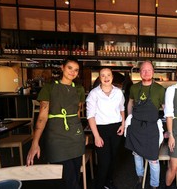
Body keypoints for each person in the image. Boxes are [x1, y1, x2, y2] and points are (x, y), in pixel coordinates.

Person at [26, 57, 86, 189]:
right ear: (62, 68)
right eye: (70, 68)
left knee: (75, 175)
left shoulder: (79, 89)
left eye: (76, 70)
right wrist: (35, 142)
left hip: (75, 138)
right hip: (57, 138)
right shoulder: (49, 87)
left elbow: (77, 113)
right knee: (67, 179)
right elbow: (42, 117)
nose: (72, 72)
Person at [125, 60, 165, 189]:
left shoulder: (159, 89)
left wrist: (170, 127)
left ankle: (154, 185)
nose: (146, 72)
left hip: (151, 127)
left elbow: (166, 108)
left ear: (153, 72)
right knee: (137, 155)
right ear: (139, 72)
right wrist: (129, 119)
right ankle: (140, 177)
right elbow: (130, 102)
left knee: (153, 159)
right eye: (143, 70)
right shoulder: (134, 87)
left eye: (149, 70)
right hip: (136, 127)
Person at [86, 68, 125, 189]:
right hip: (101, 129)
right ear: (99, 78)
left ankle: (109, 182)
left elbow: (122, 109)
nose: (106, 77)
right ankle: (99, 185)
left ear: (112, 77)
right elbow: (90, 116)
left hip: (116, 128)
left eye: (108, 75)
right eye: (103, 75)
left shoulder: (118, 92)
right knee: (104, 161)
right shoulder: (94, 94)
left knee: (113, 159)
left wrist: (123, 124)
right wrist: (96, 136)